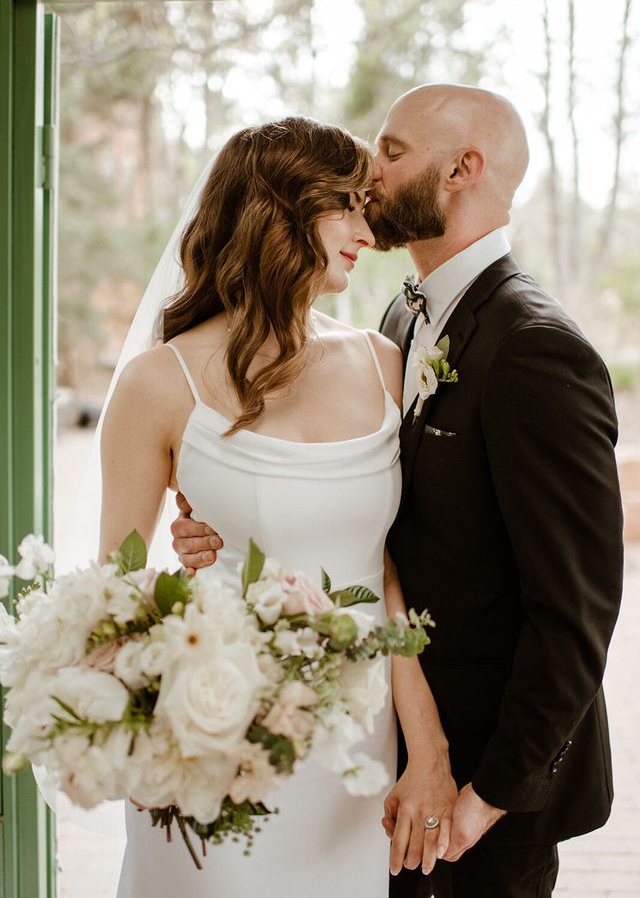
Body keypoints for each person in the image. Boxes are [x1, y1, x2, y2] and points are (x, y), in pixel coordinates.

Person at [173, 86, 624, 898]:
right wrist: (224, 515)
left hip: (478, 790)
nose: (367, 176)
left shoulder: (535, 349)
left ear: (461, 169)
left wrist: (485, 798)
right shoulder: (396, 319)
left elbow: (577, 609)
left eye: (388, 151)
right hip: (385, 749)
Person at [99, 115, 455, 898]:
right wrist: (132, 746)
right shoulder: (159, 384)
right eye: (349, 206)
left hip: (359, 741)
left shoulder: (383, 360)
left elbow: (388, 570)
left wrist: (427, 748)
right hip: (217, 731)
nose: (370, 229)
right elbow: (115, 593)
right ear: (280, 211)